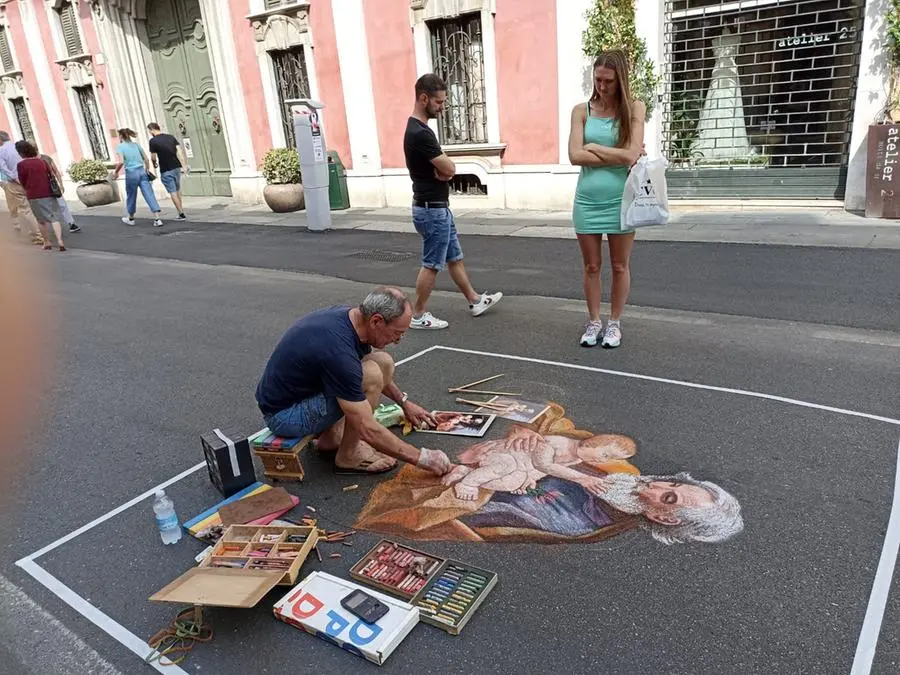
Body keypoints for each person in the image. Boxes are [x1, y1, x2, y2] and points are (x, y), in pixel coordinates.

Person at [255, 286, 454, 476]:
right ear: (376, 321)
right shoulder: (338, 350)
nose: (397, 340)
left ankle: (332, 437)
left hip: (304, 395)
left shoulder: (353, 320)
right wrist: (421, 458)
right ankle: (347, 456)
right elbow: (366, 427)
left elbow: (359, 372)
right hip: (285, 416)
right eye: (397, 333)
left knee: (382, 362)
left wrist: (403, 403)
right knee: (370, 374)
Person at [404, 73, 502, 330]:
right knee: (431, 264)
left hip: (437, 208)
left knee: (454, 258)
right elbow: (448, 168)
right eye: (439, 102)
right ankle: (418, 314)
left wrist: (446, 168)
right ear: (423, 98)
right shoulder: (419, 133)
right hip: (431, 210)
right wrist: (446, 168)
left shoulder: (422, 131)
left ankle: (475, 300)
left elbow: (448, 168)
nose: (443, 107)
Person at [568, 50, 645, 349]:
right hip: (587, 200)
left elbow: (631, 154)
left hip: (621, 200)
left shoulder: (635, 108)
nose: (601, 86)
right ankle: (593, 321)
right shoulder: (581, 110)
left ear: (621, 80)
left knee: (620, 265)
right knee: (591, 266)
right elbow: (575, 155)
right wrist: (617, 154)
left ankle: (614, 323)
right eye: (597, 79)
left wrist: (593, 146)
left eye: (608, 81)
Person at [15, 141, 66, 251]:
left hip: (33, 194)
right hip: (48, 192)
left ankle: (47, 242)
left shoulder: (21, 165)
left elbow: (22, 180)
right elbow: (51, 175)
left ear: (20, 153)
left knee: (40, 220)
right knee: (54, 218)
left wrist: (26, 190)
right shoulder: (42, 162)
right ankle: (60, 241)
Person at [112, 128, 163, 227]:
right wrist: (147, 169)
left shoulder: (120, 147)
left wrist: (116, 171)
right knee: (149, 194)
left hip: (131, 173)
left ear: (121, 136)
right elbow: (146, 159)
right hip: (141, 171)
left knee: (131, 195)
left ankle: (131, 218)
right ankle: (157, 218)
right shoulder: (136, 145)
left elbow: (121, 161)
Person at [0, 131, 42, 244]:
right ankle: (42, 231)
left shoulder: (1, 151)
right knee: (35, 206)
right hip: (31, 179)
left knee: (26, 209)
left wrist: (15, 178)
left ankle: (37, 235)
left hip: (15, 183)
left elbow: (4, 169)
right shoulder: (19, 146)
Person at [147, 122, 187, 221]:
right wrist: (184, 164)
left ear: (152, 130)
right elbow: (179, 151)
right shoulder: (170, 137)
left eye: (149, 131)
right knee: (177, 190)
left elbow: (153, 156)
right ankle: (180, 211)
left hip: (166, 169)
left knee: (172, 192)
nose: (150, 133)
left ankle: (181, 213)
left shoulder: (153, 141)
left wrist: (154, 163)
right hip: (176, 166)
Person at [37, 147, 80, 233]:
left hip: (50, 186)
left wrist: (61, 184)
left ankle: (70, 223)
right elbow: (56, 171)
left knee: (60, 205)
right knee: (59, 205)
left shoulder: (46, 158)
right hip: (49, 186)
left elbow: (56, 171)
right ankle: (69, 224)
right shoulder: (41, 159)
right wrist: (60, 184)